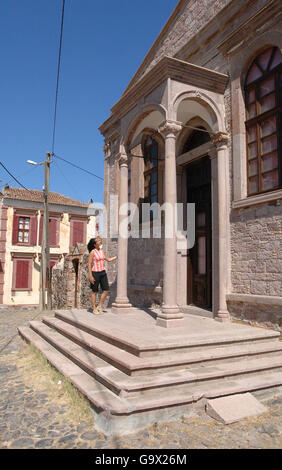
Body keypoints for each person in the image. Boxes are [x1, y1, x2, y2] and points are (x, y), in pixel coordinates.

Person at [87, 237, 117, 315]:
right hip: (95, 273)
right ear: (94, 244)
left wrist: (117, 257)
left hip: (103, 272)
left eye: (100, 240)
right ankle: (94, 308)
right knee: (94, 291)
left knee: (106, 289)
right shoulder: (92, 252)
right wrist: (90, 276)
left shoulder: (102, 251)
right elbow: (89, 264)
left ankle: (100, 306)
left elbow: (108, 259)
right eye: (98, 241)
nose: (100, 241)